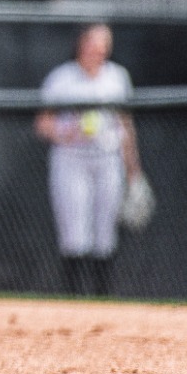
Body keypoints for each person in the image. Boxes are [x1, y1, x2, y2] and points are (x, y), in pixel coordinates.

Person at [36, 23, 141, 297]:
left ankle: (102, 297)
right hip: (71, 158)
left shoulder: (117, 77)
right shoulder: (62, 78)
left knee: (105, 231)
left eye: (103, 44)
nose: (98, 49)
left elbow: (126, 126)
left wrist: (134, 172)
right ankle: (75, 298)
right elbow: (43, 122)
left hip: (107, 158)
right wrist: (65, 131)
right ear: (81, 44)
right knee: (74, 230)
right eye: (93, 43)